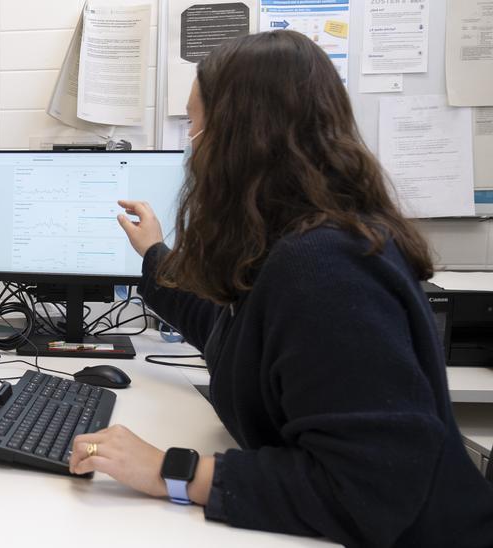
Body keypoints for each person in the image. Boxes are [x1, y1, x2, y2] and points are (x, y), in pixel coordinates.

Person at [66, 30, 493, 546]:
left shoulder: (327, 267)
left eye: (195, 125)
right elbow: (233, 331)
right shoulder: (293, 245)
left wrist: (167, 471)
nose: (190, 147)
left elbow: (366, 489)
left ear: (239, 138)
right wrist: (156, 256)